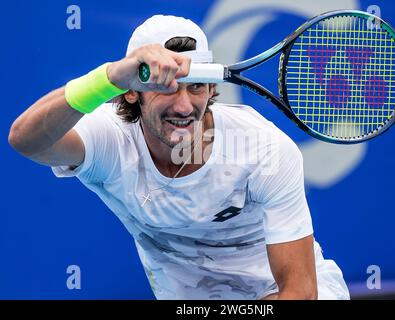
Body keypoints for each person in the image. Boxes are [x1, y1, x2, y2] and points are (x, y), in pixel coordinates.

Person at [8, 15, 349, 300]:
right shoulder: (109, 139)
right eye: (165, 86)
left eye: (196, 86)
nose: (184, 106)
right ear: (131, 91)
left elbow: (301, 291)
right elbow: (26, 140)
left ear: (213, 89)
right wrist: (107, 77)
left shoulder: (264, 149)